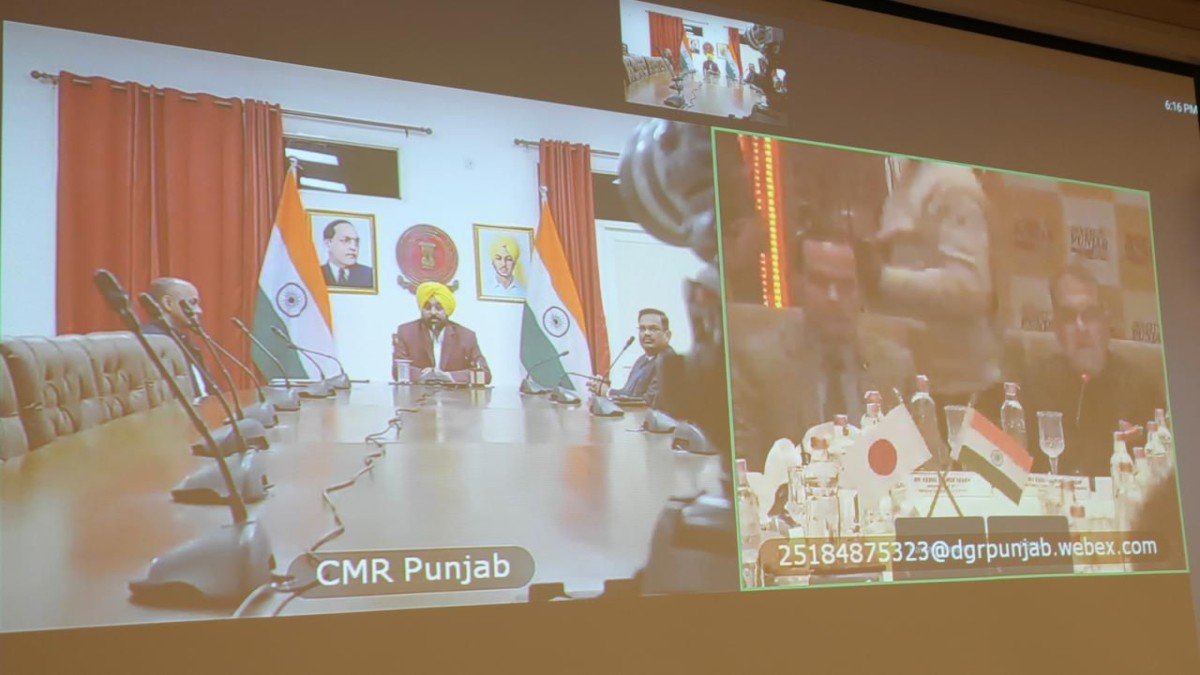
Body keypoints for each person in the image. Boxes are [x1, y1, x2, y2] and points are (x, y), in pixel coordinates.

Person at [727, 229, 915, 472]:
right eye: (819, 282)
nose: (833, 297)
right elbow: (743, 470)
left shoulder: (895, 367)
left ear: (861, 292)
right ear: (797, 284)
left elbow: (926, 469)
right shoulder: (756, 364)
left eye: (845, 285)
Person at [867, 159, 1000, 401]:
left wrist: (882, 278)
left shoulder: (952, 183)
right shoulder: (910, 180)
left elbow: (971, 290)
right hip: (920, 381)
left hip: (961, 389)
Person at [1022, 263, 1165, 476]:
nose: (1081, 327)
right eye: (1068, 317)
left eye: (1090, 314)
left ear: (1106, 321)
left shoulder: (1141, 387)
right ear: (1057, 328)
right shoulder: (1034, 383)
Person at [392, 281, 491, 384]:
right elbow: (397, 370)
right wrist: (425, 375)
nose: (433, 312)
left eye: (439, 308)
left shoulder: (466, 336)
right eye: (427, 307)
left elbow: (485, 374)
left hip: (455, 394)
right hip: (418, 393)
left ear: (447, 310)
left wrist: (449, 377)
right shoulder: (406, 332)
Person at [589, 308, 676, 408]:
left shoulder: (669, 361)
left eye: (653, 329)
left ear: (667, 335)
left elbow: (647, 401)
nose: (646, 333)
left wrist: (608, 392)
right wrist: (603, 386)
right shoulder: (641, 360)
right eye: (642, 329)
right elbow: (628, 393)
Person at [143, 276, 213, 396]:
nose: (199, 310)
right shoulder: (150, 342)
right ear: (168, 303)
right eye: (193, 303)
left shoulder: (183, 341)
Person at [320, 219, 374, 289]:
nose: (353, 247)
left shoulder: (370, 275)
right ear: (328, 243)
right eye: (345, 240)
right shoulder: (316, 273)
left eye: (356, 241)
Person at [486, 234, 525, 298]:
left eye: (509, 259)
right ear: (493, 262)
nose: (503, 264)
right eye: (498, 258)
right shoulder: (486, 288)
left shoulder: (523, 290)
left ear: (515, 262)